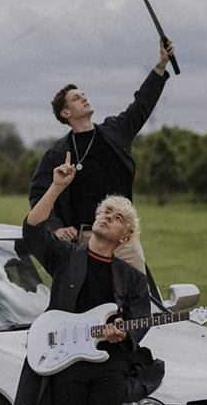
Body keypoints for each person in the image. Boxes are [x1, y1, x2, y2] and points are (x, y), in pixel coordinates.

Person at [19, 154, 158, 405]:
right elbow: (31, 230)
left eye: (116, 216)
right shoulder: (67, 256)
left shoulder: (129, 278)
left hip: (109, 367)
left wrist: (122, 333)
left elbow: (141, 320)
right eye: (105, 211)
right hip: (67, 364)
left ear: (125, 235)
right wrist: (58, 186)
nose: (107, 216)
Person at [28, 39, 175, 273]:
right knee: (93, 303)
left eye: (84, 94)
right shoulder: (57, 153)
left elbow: (142, 104)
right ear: (65, 113)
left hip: (123, 236)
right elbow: (39, 194)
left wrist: (160, 66)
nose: (84, 98)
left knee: (139, 301)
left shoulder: (115, 132)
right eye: (76, 98)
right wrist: (56, 227)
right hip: (87, 239)